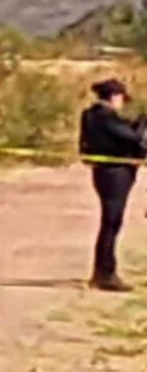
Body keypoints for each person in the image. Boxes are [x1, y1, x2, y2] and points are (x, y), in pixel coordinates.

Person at [79, 78, 147, 291]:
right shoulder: (104, 117)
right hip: (114, 174)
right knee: (111, 221)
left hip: (108, 171)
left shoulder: (92, 116)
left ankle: (104, 271)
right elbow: (131, 137)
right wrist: (143, 122)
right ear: (114, 97)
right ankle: (105, 273)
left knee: (111, 222)